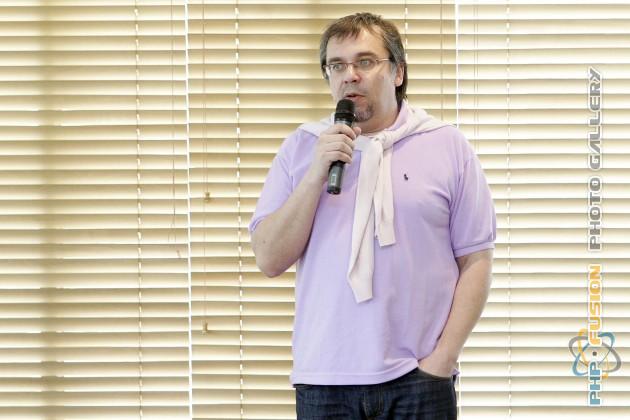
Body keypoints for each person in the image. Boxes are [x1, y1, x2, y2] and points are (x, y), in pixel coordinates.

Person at [249, 12, 496, 420]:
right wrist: (316, 172)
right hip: (324, 380)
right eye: (337, 65)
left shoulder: (447, 145)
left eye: (365, 61)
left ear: (398, 72)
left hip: (419, 379)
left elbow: (476, 260)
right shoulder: (302, 147)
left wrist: (442, 361)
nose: (350, 75)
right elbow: (269, 258)